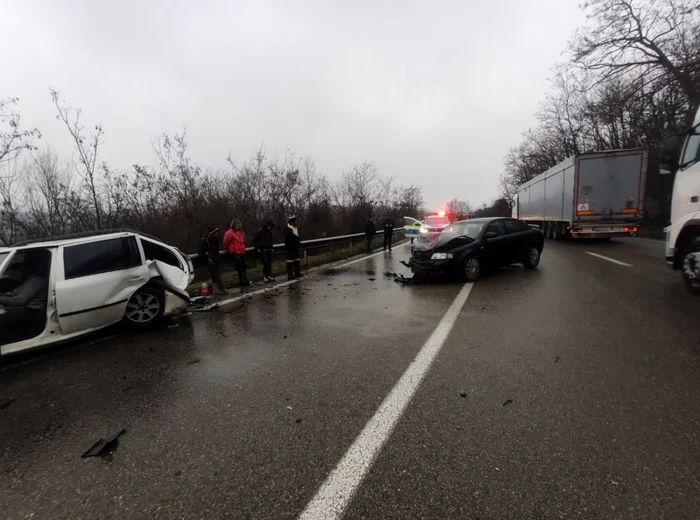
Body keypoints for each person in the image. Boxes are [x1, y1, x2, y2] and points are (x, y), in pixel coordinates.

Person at [0, 262, 48, 345]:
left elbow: (19, 301)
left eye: (12, 274)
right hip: (24, 308)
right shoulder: (28, 280)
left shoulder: (36, 281)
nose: (11, 277)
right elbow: (13, 293)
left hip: (32, 311)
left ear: (20, 271)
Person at [198, 226, 228, 294]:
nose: (217, 233)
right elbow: (200, 251)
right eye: (216, 232)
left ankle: (218, 288)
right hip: (210, 260)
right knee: (215, 274)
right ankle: (220, 288)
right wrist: (207, 258)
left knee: (216, 274)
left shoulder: (215, 240)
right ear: (212, 233)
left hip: (216, 259)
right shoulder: (205, 240)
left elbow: (216, 251)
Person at [223, 219, 251, 288]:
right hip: (235, 252)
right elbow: (226, 243)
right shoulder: (229, 233)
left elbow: (243, 241)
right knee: (240, 267)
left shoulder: (241, 232)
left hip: (241, 251)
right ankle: (243, 282)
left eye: (239, 224)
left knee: (243, 267)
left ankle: (245, 281)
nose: (239, 225)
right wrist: (229, 250)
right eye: (237, 224)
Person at [284, 216, 302, 280]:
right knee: (290, 261)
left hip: (295, 247)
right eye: (293, 222)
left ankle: (297, 272)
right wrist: (297, 239)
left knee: (297, 260)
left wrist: (298, 240)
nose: (294, 223)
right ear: (290, 222)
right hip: (290, 247)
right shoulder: (287, 228)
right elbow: (290, 237)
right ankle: (290, 274)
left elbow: (297, 235)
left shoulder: (295, 228)